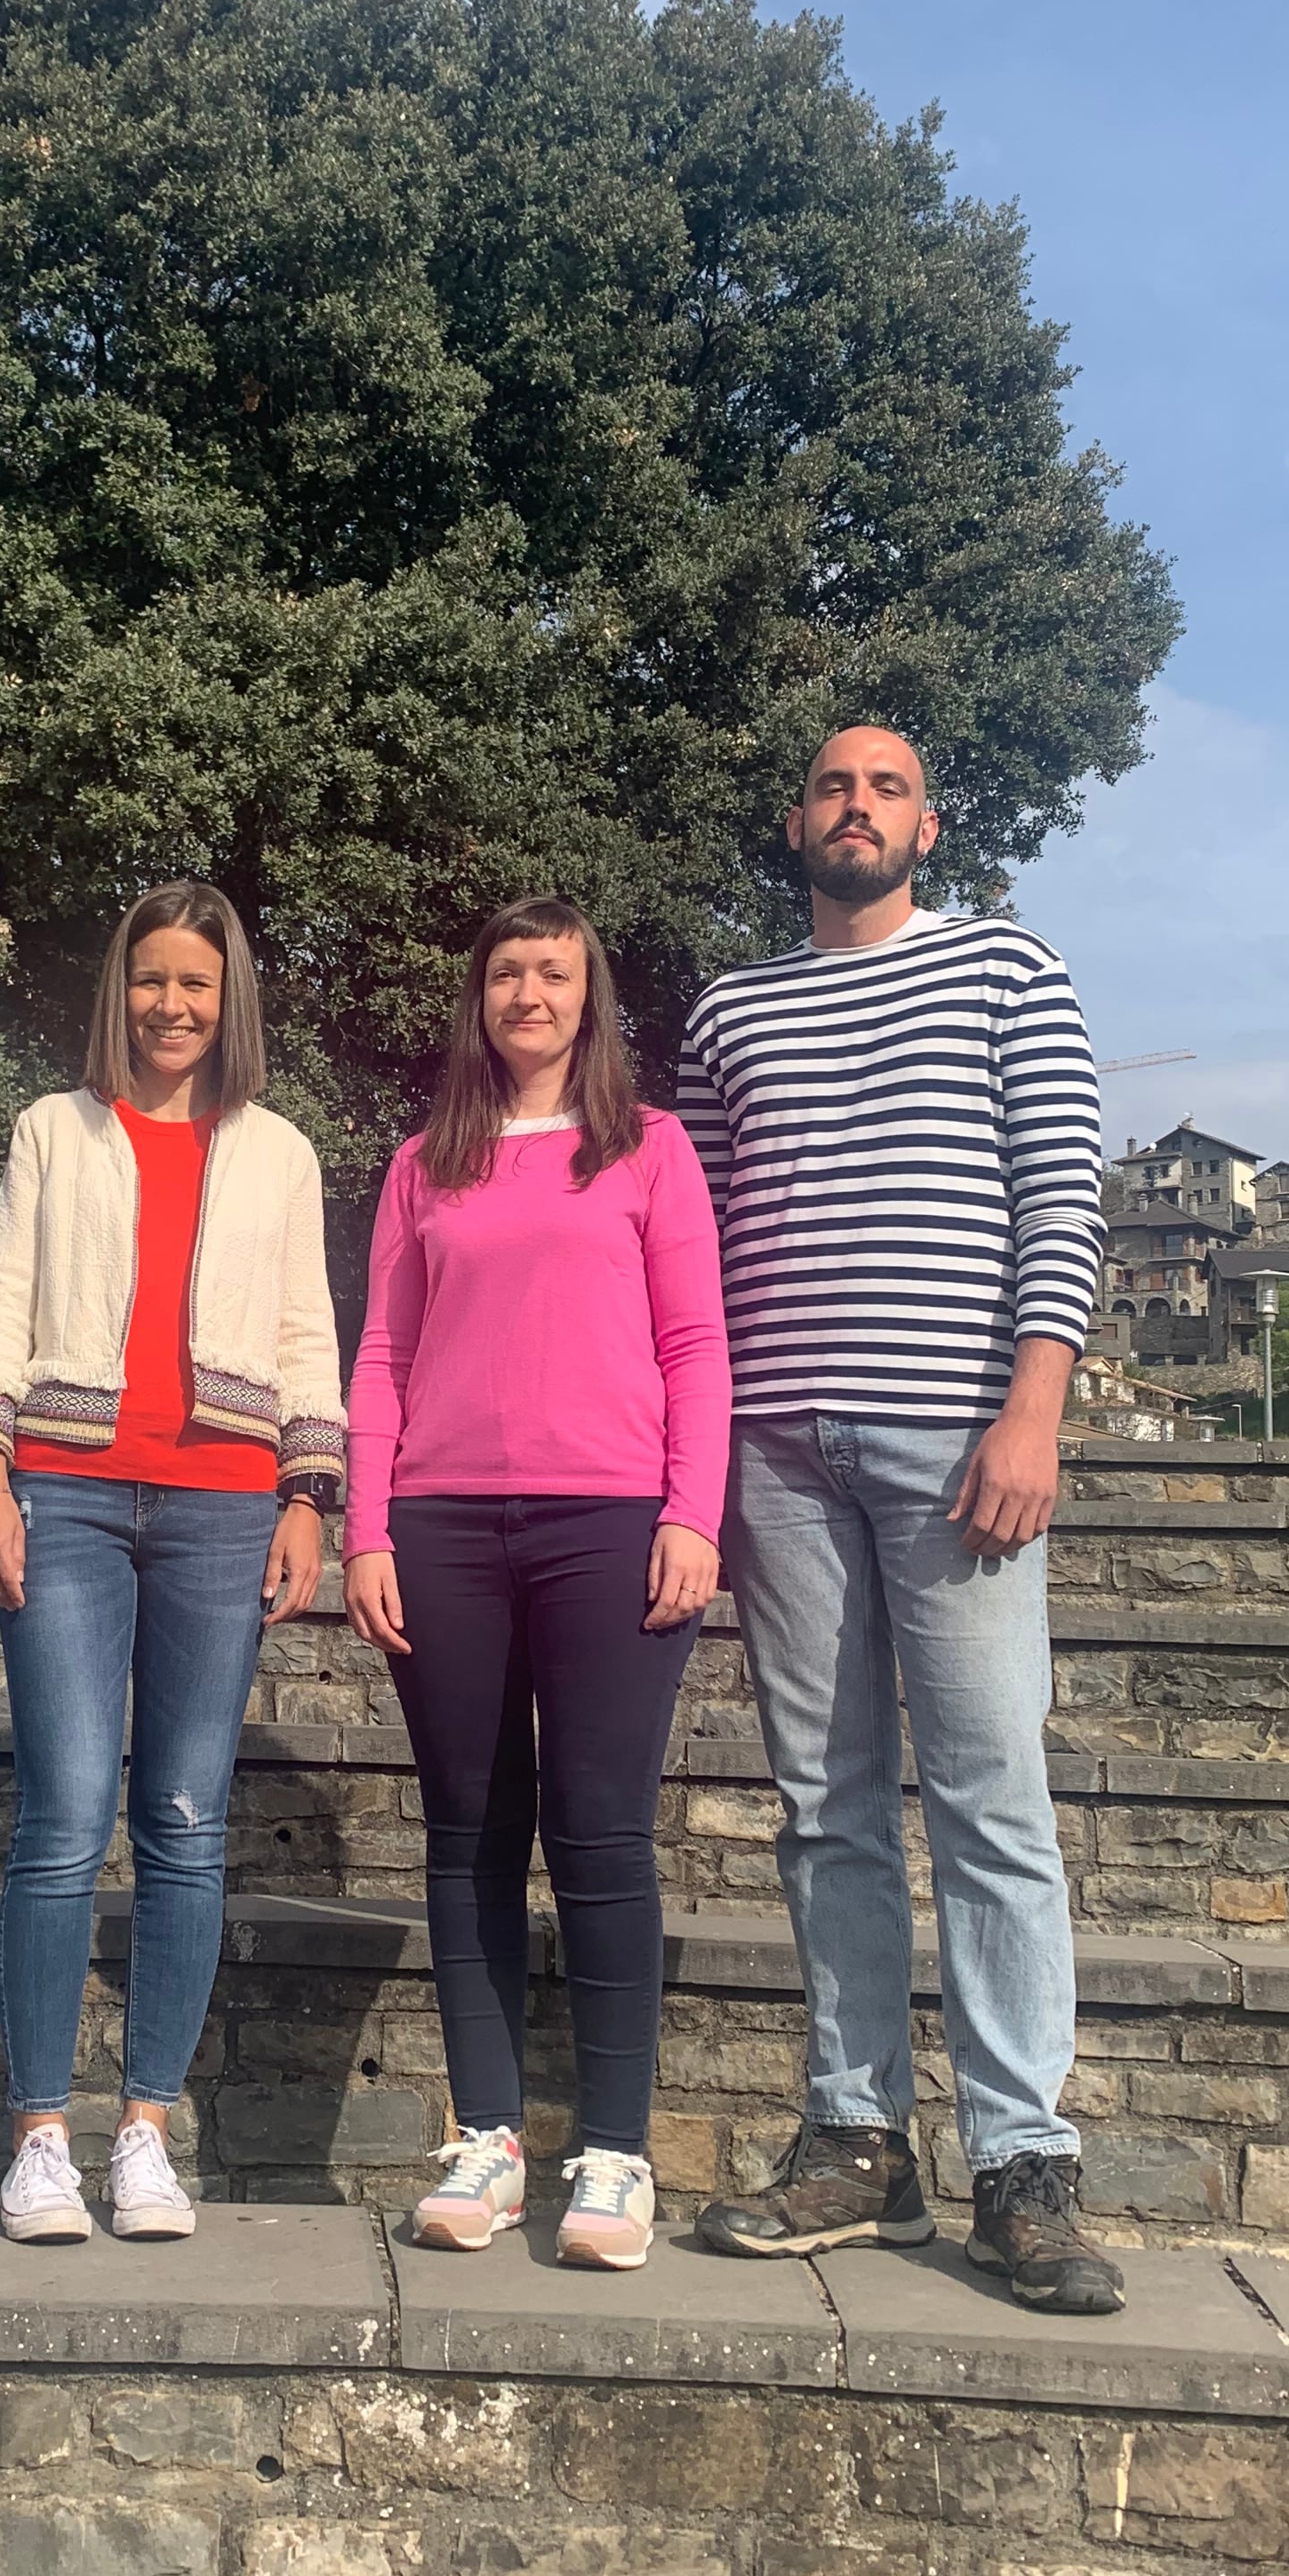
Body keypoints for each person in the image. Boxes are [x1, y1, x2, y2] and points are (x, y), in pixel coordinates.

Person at [678, 724, 1124, 2313]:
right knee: (825, 1802)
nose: (852, 807)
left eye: (883, 787)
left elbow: (1061, 1190)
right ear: (793, 819)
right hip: (779, 1453)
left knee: (994, 1798)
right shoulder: (729, 1009)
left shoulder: (1010, 971)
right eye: (827, 786)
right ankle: (858, 2138)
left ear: (926, 824)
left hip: (960, 1442)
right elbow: (703, 1245)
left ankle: (1024, 2157)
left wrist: (1035, 1407)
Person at [0, 883, 344, 2244]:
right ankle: (40, 2136)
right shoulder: (55, 1132)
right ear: (118, 991)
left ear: (230, 999)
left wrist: (311, 1495)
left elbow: (306, 1333)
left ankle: (148, 2133)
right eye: (150, 981)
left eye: (198, 984)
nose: (172, 1007)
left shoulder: (279, 1152)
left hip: (226, 1504)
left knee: (182, 1822)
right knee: (62, 1817)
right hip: (64, 1493)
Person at [344, 900, 730, 2271]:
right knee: (468, 1836)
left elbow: (695, 1344)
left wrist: (696, 1512)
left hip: (612, 1522)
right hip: (442, 1527)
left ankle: (614, 2155)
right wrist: (367, 1532)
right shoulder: (422, 1165)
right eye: (506, 972)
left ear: (589, 996)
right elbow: (382, 1357)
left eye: (553, 972)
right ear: (481, 998)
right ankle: (491, 2140)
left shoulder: (650, 1150)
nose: (528, 992)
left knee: (602, 1833)